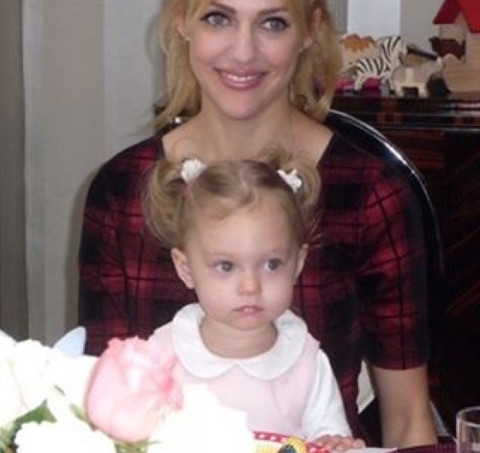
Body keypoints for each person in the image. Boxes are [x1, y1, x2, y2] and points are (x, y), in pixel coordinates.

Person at [78, 0, 437, 446]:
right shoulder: (120, 191)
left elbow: (408, 419)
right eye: (218, 18)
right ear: (183, 20)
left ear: (310, 30)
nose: (243, 52)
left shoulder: (372, 194)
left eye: (273, 23)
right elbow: (100, 413)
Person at [144, 153, 363, 450]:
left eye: (272, 264)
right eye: (226, 266)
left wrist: (336, 445)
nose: (250, 286)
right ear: (186, 269)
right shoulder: (160, 356)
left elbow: (330, 439)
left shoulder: (306, 362)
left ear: (298, 263)